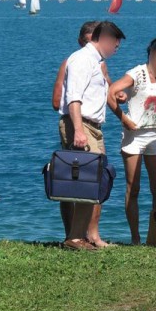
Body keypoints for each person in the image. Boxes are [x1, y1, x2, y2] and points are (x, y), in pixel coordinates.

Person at [58, 21, 126, 250]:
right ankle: (75, 237)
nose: (115, 49)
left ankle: (82, 236)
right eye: (115, 45)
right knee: (85, 181)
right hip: (82, 124)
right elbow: (73, 98)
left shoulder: (96, 62)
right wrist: (78, 130)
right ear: (104, 38)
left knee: (95, 181)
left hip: (94, 127)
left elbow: (96, 91)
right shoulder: (81, 59)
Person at [108, 37, 156, 245]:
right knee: (133, 188)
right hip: (134, 137)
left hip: (155, 135)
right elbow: (110, 91)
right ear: (154, 56)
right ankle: (135, 238)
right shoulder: (138, 73)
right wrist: (123, 118)